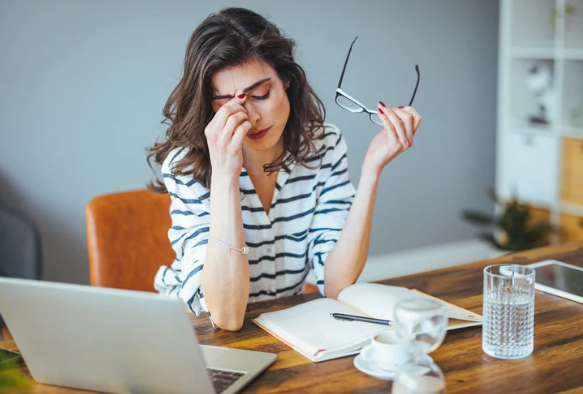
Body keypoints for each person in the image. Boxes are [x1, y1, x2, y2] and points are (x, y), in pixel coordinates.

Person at [147, 7, 421, 331]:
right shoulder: (186, 167)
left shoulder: (323, 146)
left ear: (287, 80)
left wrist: (372, 171)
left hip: (281, 329)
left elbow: (336, 287)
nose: (252, 117)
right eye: (228, 105)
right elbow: (227, 316)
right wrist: (224, 176)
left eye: (261, 94)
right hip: (195, 333)